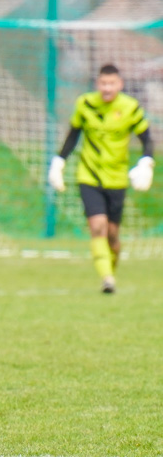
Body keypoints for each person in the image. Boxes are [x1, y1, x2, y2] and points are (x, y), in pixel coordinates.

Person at [48, 64, 153, 294]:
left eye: (112, 84)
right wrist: (59, 162)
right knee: (98, 226)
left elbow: (147, 139)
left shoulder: (130, 107)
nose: (107, 88)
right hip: (89, 176)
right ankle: (107, 279)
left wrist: (146, 163)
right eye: (103, 84)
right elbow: (73, 135)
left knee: (113, 235)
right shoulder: (85, 104)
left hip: (117, 179)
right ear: (98, 84)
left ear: (120, 84)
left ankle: (110, 268)